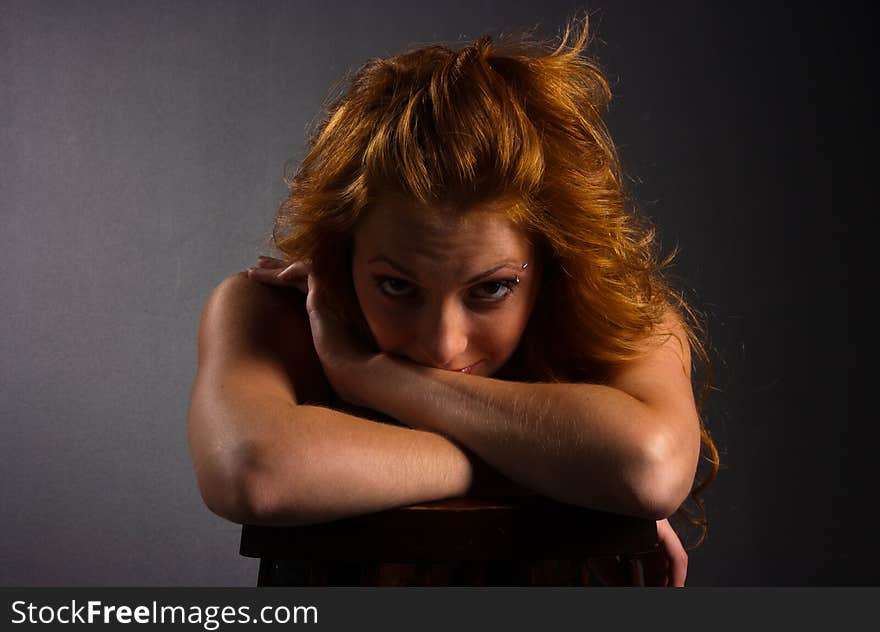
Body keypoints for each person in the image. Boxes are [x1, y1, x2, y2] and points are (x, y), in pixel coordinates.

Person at [188, 16, 720, 586]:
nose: (443, 343)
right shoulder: (272, 311)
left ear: (551, 263)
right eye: (396, 286)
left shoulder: (618, 317)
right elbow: (253, 471)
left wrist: (370, 375)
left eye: (491, 289)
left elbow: (646, 468)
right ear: (342, 254)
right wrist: (564, 467)